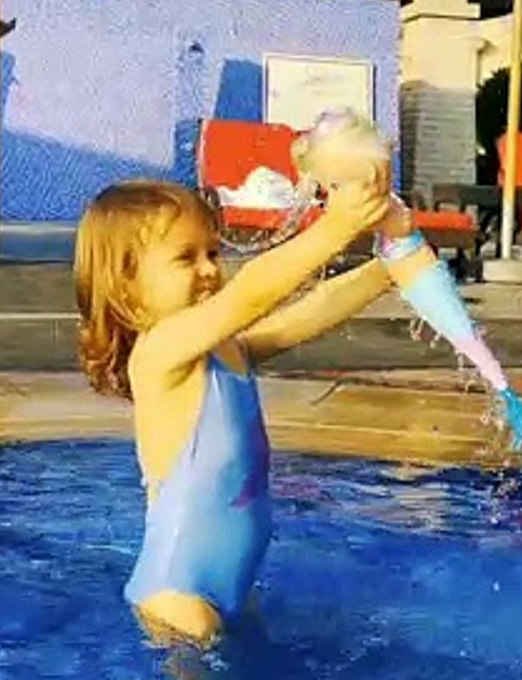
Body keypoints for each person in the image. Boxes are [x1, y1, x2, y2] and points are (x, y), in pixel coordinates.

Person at [73, 167, 408, 648]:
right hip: (178, 597)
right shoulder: (159, 352)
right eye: (186, 258)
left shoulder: (226, 350)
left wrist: (388, 269)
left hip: (231, 589)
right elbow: (249, 295)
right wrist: (336, 228)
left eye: (212, 252)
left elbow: (307, 314)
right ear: (126, 286)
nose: (209, 270)